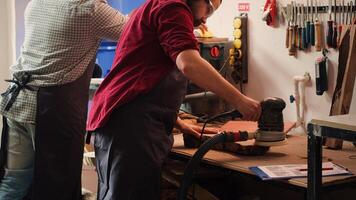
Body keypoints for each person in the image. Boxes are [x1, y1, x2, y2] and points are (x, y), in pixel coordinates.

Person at [87, 0, 261, 199]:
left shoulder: (156, 7)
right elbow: (188, 64)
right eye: (210, 9)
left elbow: (144, 73)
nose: (205, 18)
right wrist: (240, 100)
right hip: (129, 126)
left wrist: (177, 121)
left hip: (127, 122)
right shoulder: (173, 8)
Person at [0, 0, 127, 199]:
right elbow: (136, 30)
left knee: (15, 181)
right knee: (58, 185)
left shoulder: (38, 2)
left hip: (18, 103)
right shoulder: (90, 9)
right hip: (50, 111)